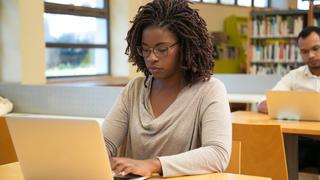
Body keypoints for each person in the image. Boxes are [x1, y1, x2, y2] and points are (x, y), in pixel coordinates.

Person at [102, 0, 231, 178]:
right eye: (145, 49)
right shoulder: (135, 89)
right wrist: (97, 157)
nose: (151, 57)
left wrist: (153, 165)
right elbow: (104, 142)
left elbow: (217, 154)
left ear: (185, 46)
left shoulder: (209, 90)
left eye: (162, 49)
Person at [257, 26, 320, 172]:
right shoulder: (294, 76)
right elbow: (263, 103)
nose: (310, 55)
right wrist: (291, 110)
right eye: (304, 51)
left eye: (316, 48)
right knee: (275, 161)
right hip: (301, 140)